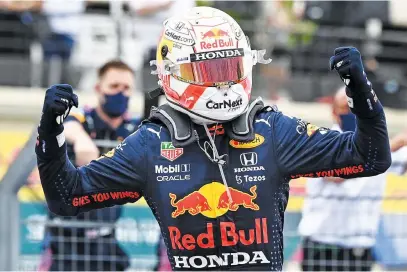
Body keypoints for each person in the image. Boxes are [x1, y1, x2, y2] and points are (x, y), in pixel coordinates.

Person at [35, 6, 391, 271]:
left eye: (228, 69)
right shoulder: (150, 143)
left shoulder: (272, 129)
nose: (221, 82)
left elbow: (371, 156)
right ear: (170, 72)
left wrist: (363, 96)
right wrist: (51, 136)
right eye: (207, 70)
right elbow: (66, 197)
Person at [38, 60, 140, 271]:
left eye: (126, 87)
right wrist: (83, 141)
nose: (120, 93)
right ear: (98, 88)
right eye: (114, 86)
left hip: (106, 238)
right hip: (66, 237)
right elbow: (67, 123)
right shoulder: (84, 116)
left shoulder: (134, 128)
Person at [298, 87, 386, 271]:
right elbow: (337, 173)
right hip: (320, 243)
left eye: (358, 107)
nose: (353, 113)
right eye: (347, 108)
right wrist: (383, 149)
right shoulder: (318, 141)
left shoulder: (382, 145)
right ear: (334, 111)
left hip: (359, 246)